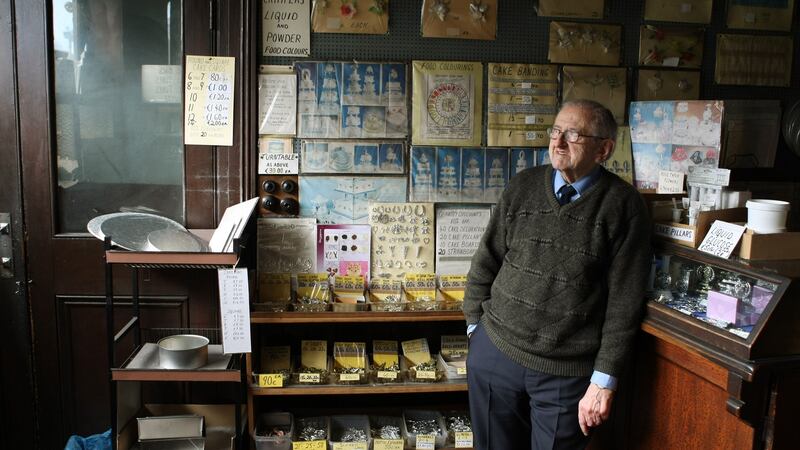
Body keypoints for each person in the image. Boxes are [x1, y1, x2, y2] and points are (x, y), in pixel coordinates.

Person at [464, 99, 652, 450]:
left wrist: (604, 381)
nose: (558, 142)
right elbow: (486, 260)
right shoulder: (523, 185)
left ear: (604, 149)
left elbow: (625, 303)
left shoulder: (624, 206)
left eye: (573, 134)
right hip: (496, 350)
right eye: (555, 131)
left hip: (565, 372)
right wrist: (476, 330)